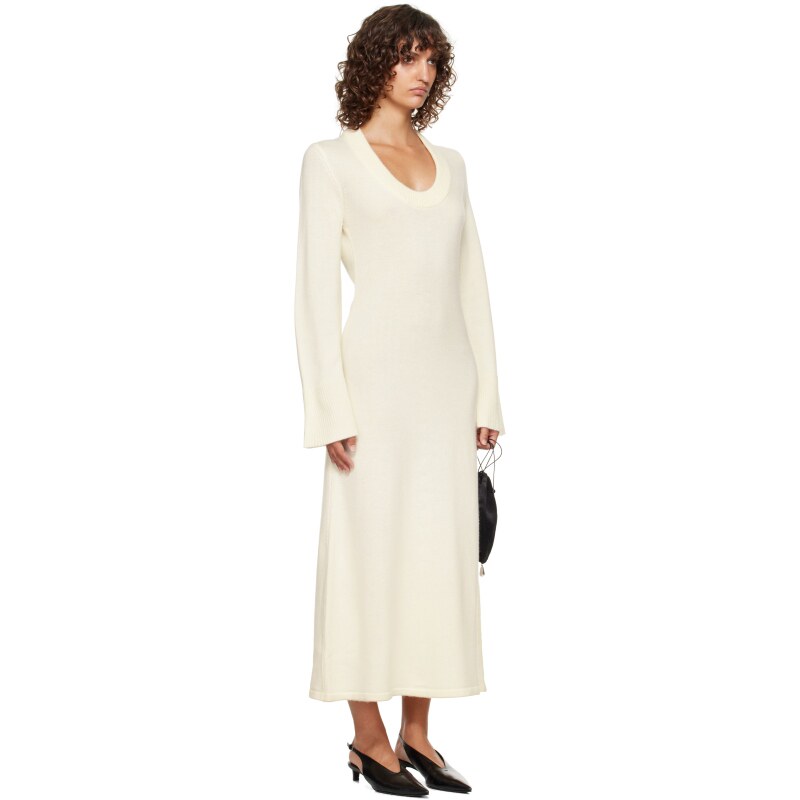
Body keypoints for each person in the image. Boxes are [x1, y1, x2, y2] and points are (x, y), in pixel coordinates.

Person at [293, 5, 505, 795]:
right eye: (408, 56)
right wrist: (330, 411)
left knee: (436, 557)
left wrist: (488, 396)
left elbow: (472, 284)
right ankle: (367, 735)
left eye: (433, 60)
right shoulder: (331, 161)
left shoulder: (453, 164)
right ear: (374, 62)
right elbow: (313, 296)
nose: (423, 72)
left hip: (447, 392)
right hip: (372, 395)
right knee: (366, 556)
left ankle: (417, 734)